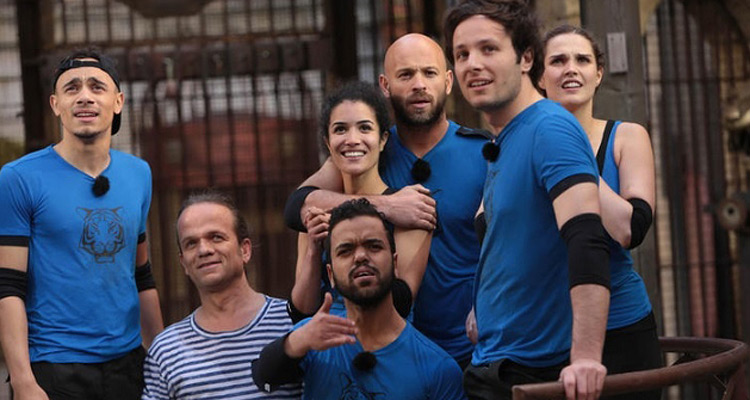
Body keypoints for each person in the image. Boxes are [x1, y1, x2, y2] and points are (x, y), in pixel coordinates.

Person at [283, 33, 489, 368]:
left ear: (448, 81)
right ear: (385, 84)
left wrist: (488, 304)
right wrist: (387, 205)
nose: (419, 85)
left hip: (473, 345)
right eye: (406, 75)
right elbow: (297, 207)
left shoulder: (484, 152)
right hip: (392, 352)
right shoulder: (365, 146)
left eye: (430, 73)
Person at [444, 1, 611, 399]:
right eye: (462, 54)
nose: (472, 64)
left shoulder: (550, 128)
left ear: (526, 57)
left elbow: (588, 238)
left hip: (531, 374)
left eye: (488, 49)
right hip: (493, 360)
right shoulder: (506, 137)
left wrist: (586, 357)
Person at [0, 48, 163, 399]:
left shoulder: (139, 173)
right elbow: (8, 286)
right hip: (55, 368)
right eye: (72, 88)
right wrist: (23, 380)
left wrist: (161, 359)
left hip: (129, 364)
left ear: (118, 101)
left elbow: (141, 274)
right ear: (55, 104)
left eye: (96, 87)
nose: (85, 96)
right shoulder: (18, 178)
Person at [538, 24, 661, 399]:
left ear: (599, 73)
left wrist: (568, 153)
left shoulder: (627, 136)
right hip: (545, 330)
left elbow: (630, 229)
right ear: (539, 77)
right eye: (557, 60)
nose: (570, 68)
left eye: (582, 59)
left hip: (622, 325)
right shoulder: (519, 141)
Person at [253, 198, 466, 400]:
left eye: (374, 246)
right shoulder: (314, 337)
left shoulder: (437, 368)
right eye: (345, 251)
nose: (361, 256)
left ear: (394, 264)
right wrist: (298, 340)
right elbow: (265, 377)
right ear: (330, 275)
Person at [290, 81, 431, 320]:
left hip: (386, 348)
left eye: (365, 128)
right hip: (324, 346)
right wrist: (315, 251)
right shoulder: (316, 212)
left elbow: (401, 303)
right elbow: (300, 311)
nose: (352, 139)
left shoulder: (410, 210)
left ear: (383, 139)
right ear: (327, 141)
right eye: (340, 129)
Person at [142, 191, 302, 399]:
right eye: (191, 243)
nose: (204, 250)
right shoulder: (166, 350)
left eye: (216, 237)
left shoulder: (292, 322)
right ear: (183, 264)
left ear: (245, 250)